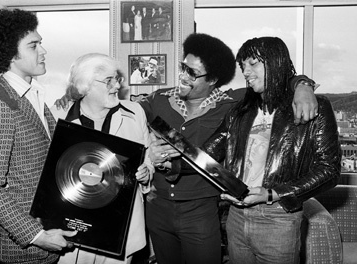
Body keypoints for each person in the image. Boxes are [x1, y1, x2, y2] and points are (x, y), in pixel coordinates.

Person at [54, 33, 318, 264]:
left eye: (192, 73)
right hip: (156, 210)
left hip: (201, 211)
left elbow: (276, 83)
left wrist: (303, 86)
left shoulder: (233, 104)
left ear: (213, 79)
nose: (182, 76)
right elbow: (116, 116)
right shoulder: (157, 100)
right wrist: (74, 94)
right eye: (183, 67)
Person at [203, 36, 341, 264]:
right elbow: (207, 155)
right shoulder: (240, 112)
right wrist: (171, 159)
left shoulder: (312, 106)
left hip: (278, 218)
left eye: (253, 63)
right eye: (243, 66)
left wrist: (272, 193)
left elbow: (329, 171)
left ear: (276, 62)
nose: (246, 72)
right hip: (236, 217)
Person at [0, 8, 77, 264]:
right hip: (23, 249)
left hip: (49, 233)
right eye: (33, 45)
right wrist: (37, 235)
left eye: (41, 43)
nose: (43, 51)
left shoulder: (34, 96)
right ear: (10, 54)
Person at [52, 53, 154, 264]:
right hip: (73, 231)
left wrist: (145, 173)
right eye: (109, 80)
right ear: (85, 86)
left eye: (117, 78)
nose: (117, 86)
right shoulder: (55, 118)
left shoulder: (135, 113)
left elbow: (148, 158)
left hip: (121, 229)